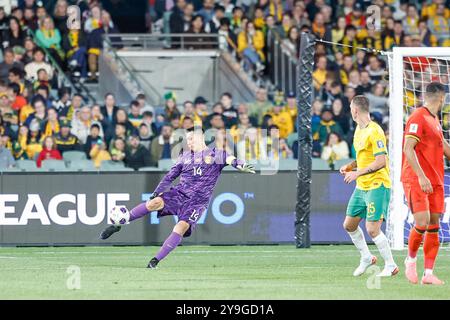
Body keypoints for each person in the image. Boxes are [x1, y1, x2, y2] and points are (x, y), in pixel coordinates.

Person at [99, 126, 255, 268]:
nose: (189, 142)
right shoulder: (185, 156)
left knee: (180, 227)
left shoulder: (217, 154)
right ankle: (120, 223)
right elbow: (170, 176)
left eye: (191, 139)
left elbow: (231, 160)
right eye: (187, 140)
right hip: (179, 194)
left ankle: (155, 261)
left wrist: (241, 165)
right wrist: (156, 191)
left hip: (197, 203)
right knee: (154, 203)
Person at [340, 95, 398, 277]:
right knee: (349, 225)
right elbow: (363, 158)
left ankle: (391, 265)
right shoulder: (359, 130)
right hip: (362, 186)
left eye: (350, 108)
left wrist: (356, 173)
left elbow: (381, 162)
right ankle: (366, 257)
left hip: (377, 184)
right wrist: (351, 166)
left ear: (355, 110)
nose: (350, 111)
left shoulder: (375, 131)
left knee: (372, 229)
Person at [402, 82, 448, 285]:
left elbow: (443, 145)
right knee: (422, 221)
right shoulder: (418, 116)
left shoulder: (434, 119)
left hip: (436, 179)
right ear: (442, 98)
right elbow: (408, 148)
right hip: (417, 178)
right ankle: (410, 260)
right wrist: (421, 176)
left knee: (434, 224)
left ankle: (428, 273)